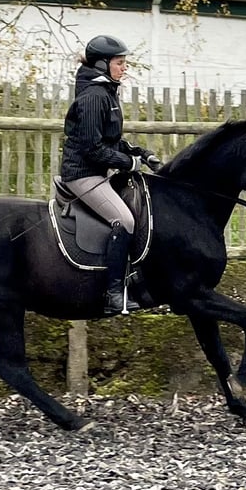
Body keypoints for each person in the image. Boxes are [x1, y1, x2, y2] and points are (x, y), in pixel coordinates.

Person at [60, 35, 161, 317]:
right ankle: (114, 294)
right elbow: (93, 149)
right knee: (125, 219)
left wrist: (142, 154)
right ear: (104, 64)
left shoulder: (106, 92)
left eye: (124, 63)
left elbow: (111, 140)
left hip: (97, 172)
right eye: (120, 63)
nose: (124, 68)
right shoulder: (94, 96)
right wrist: (128, 163)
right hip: (82, 175)